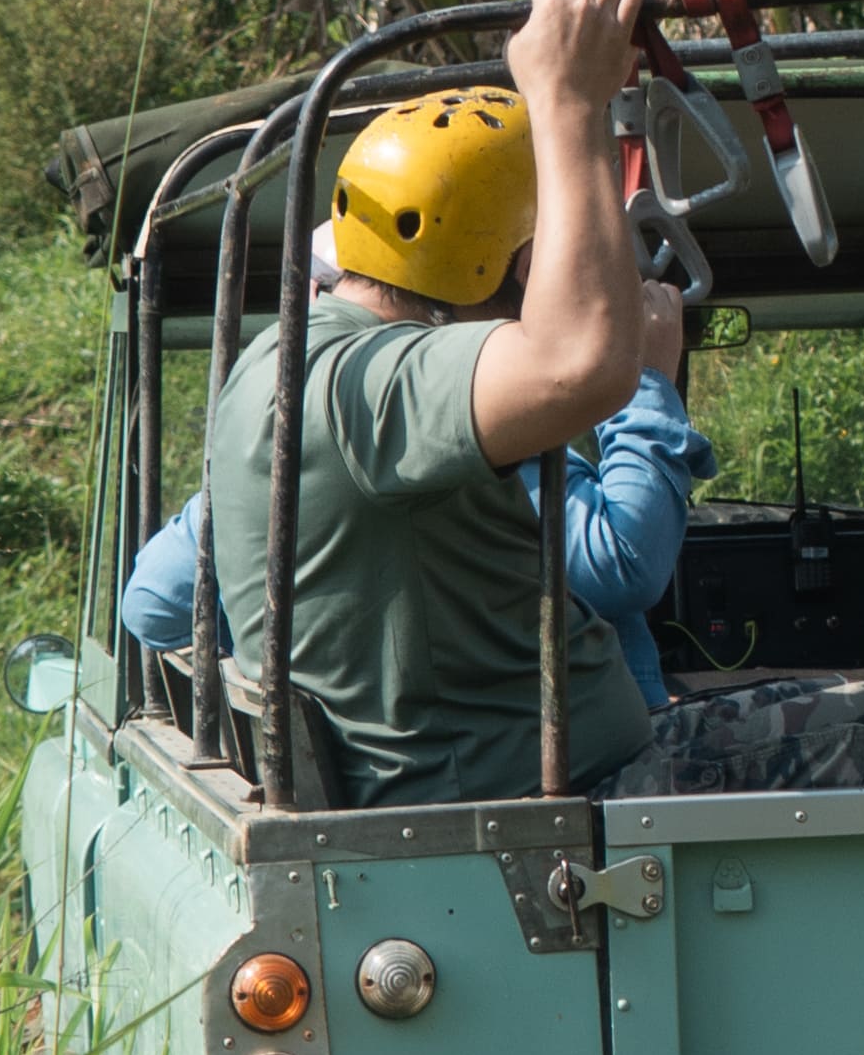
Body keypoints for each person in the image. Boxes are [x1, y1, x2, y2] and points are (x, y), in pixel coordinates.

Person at [204, 0, 864, 804]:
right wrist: (567, 104)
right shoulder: (369, 380)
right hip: (527, 803)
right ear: (512, 261)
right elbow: (580, 363)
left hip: (525, 768)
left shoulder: (292, 358)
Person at [122, 270, 715, 719]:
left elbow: (156, 603)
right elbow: (622, 561)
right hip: (574, 783)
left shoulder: (282, 450)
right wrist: (646, 377)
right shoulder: (443, 433)